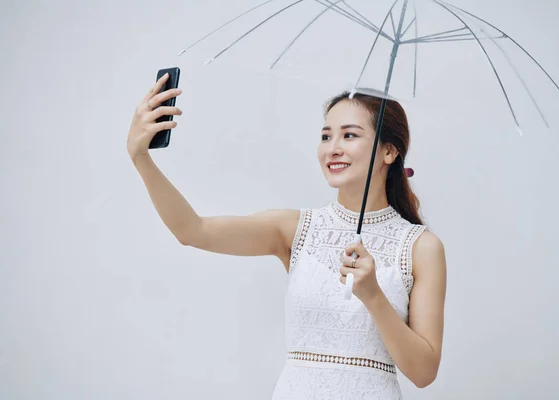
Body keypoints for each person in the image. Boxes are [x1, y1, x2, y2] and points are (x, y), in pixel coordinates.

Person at [127, 73, 447, 399]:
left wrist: (374, 296)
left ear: (389, 151)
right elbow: (192, 230)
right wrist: (141, 158)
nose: (332, 149)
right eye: (326, 136)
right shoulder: (295, 230)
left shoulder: (421, 247)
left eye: (349, 135)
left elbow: (423, 373)